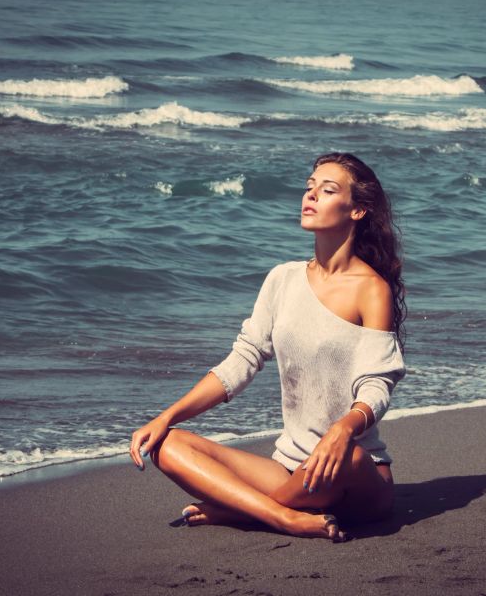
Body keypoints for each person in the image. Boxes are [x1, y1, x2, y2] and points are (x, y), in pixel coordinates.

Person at [129, 152, 406, 542]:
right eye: (309, 187)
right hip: (289, 470)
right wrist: (166, 415)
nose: (310, 196)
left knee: (348, 456)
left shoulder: (371, 289)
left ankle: (243, 509)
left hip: (355, 475)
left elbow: (377, 384)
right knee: (166, 444)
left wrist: (344, 429)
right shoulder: (282, 279)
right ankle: (281, 516)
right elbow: (242, 361)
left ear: (358, 210)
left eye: (327, 190)